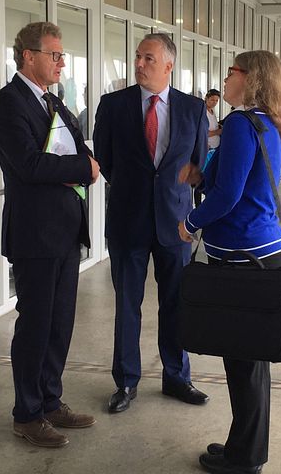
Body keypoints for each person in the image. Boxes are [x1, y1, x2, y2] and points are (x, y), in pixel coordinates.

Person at [178, 51, 281, 474]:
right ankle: (242, 447)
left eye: (233, 72)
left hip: (245, 256)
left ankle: (244, 458)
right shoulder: (263, 123)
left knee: (244, 364)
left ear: (253, 79)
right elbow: (232, 179)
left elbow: (227, 196)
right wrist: (199, 175)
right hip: (265, 251)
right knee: (250, 363)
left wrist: (191, 222)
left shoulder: (238, 125)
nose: (226, 78)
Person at [0, 22, 100, 448]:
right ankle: (27, 414)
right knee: (35, 325)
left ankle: (51, 401)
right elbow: (29, 166)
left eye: (61, 55)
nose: (61, 62)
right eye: (54, 55)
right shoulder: (8, 104)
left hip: (66, 231)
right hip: (36, 235)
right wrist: (81, 169)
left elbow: (76, 145)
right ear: (27, 56)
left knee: (60, 324)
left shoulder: (52, 99)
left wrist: (87, 162)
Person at [93, 33, 210, 414]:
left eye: (149, 58)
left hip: (175, 224)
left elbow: (196, 165)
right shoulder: (113, 105)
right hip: (128, 221)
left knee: (176, 302)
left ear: (169, 65)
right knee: (128, 304)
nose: (140, 64)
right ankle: (126, 381)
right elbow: (106, 161)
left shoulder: (192, 109)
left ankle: (176, 376)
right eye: (138, 57)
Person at [194, 89, 222, 207]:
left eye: (216, 100)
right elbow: (203, 133)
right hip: (206, 150)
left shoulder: (212, 111)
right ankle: (198, 205)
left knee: (210, 177)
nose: (214, 102)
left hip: (214, 149)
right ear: (206, 98)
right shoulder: (203, 112)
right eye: (212, 100)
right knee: (201, 179)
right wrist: (218, 131)